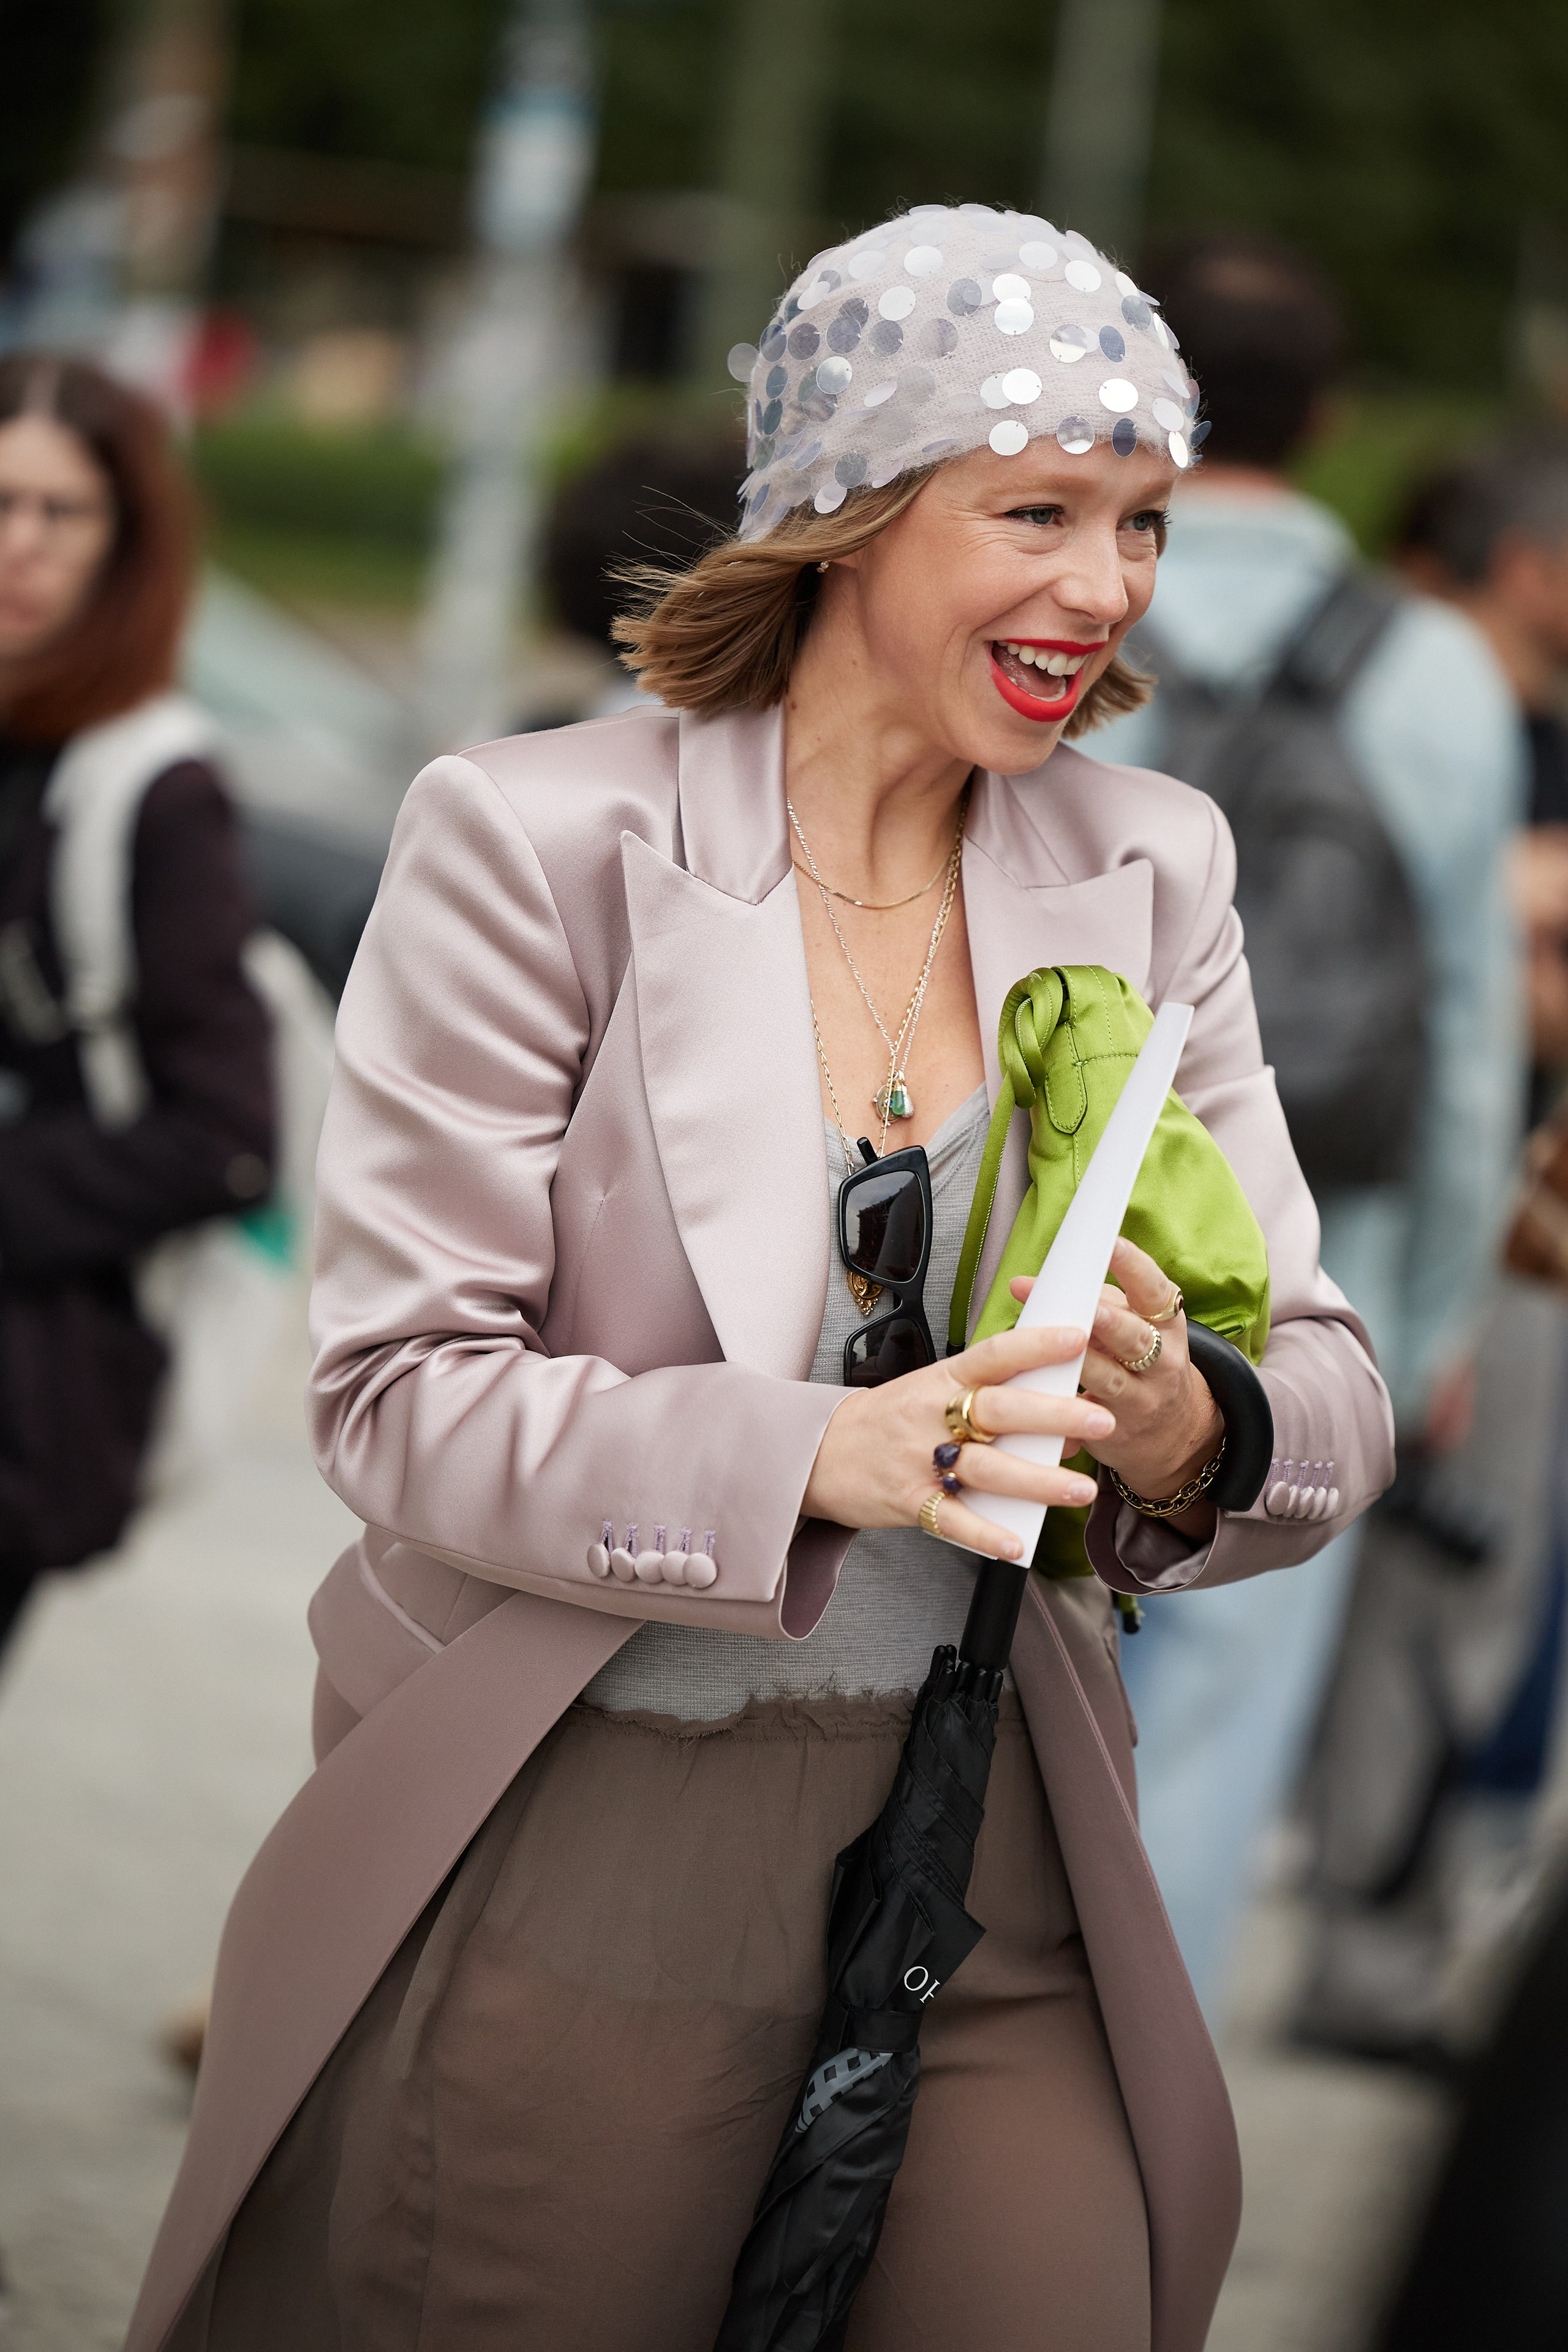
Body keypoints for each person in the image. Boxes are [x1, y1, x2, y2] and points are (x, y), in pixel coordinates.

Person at [127, 206, 1391, 2352]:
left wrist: (1196, 1422)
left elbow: (1326, 1382)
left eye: (1146, 524)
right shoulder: (532, 841)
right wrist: (823, 1452)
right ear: (845, 518)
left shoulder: (1153, 863)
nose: (1109, 587)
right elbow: (398, 1393)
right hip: (598, 1815)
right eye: (1041, 513)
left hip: (993, 1834)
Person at [1085, 236, 1524, 2023]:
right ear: (1331, 419)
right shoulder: (1425, 670)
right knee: (1210, 1721)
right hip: (1300, 1232)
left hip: (1039, 1212)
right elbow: (1472, 1028)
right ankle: (1117, 2135)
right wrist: (1429, 1330)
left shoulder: (1059, 592)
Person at [0, 356, 274, 1662]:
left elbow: (223, 1133)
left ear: (126, 545)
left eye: (63, 513)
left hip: (28, 1376)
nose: (20, 547)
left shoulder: (153, 789)